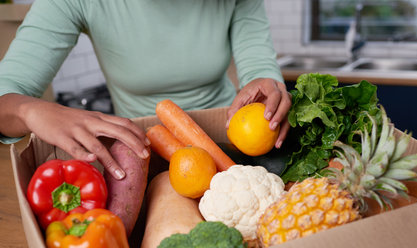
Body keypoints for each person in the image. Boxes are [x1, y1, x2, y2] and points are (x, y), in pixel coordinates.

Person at [0, 0, 291, 180]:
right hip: (142, 156)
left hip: (232, 145)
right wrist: (30, 110)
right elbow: (6, 92)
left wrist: (267, 87)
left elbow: (259, 67)